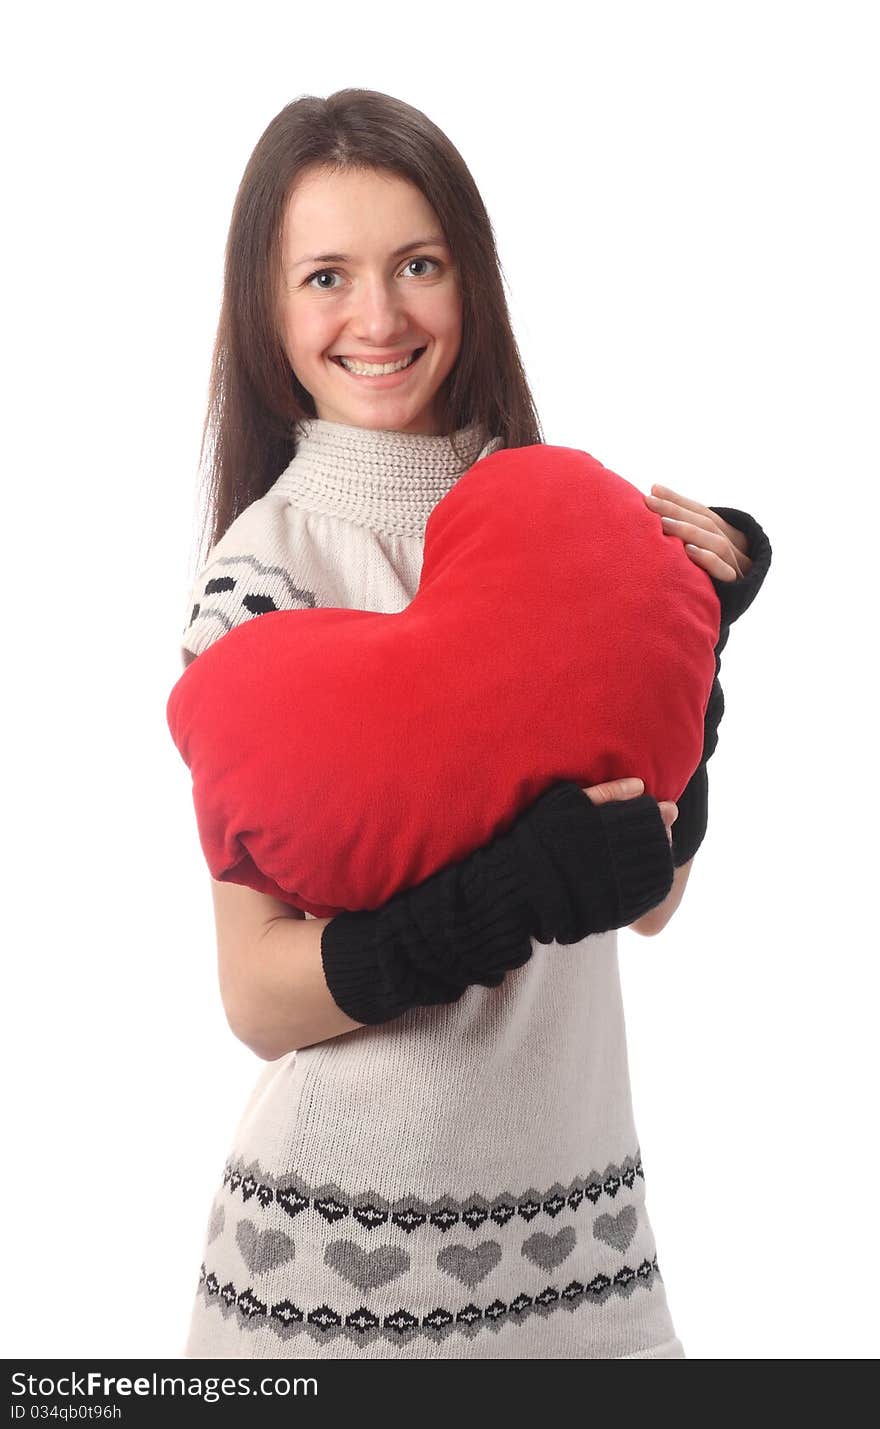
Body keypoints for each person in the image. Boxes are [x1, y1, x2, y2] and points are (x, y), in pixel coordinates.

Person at [176, 88, 771, 1360]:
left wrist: (699, 645)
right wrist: (502, 895)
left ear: (470, 279)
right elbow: (258, 992)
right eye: (326, 275)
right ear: (268, 310)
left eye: (418, 265)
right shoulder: (259, 577)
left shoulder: (560, 521)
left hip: (585, 1247)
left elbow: (650, 894)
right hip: (330, 1277)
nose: (378, 316)